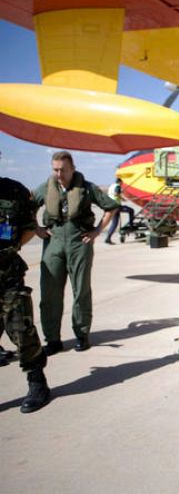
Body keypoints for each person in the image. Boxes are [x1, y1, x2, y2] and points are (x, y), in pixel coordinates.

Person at [33, 151, 119, 354]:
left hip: (79, 242)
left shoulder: (87, 188)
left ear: (72, 168)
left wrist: (98, 231)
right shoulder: (46, 187)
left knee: (81, 290)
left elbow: (111, 207)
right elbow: (28, 205)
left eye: (63, 169)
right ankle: (52, 339)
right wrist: (36, 228)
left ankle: (82, 334)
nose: (59, 174)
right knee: (49, 293)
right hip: (53, 242)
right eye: (55, 169)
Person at [0, 170, 51, 413]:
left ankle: (37, 383)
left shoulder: (15, 191)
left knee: (21, 328)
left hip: (8, 274)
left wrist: (13, 247)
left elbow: (30, 226)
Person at [104, 177, 135, 244]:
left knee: (114, 223)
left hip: (111, 206)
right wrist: (122, 198)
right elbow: (116, 193)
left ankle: (108, 238)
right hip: (116, 206)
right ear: (120, 182)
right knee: (131, 210)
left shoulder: (111, 186)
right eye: (122, 183)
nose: (122, 184)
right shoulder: (117, 186)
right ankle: (131, 225)